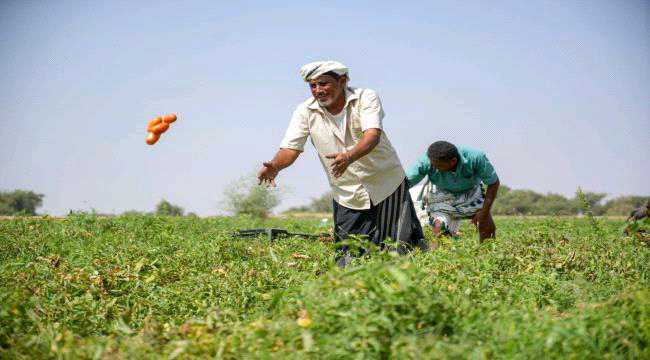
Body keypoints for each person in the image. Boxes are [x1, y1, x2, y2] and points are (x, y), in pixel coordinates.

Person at [257, 60, 426, 267]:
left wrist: (349, 156)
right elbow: (290, 149)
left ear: (343, 81)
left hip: (385, 184)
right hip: (347, 192)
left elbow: (372, 135)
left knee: (398, 250)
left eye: (324, 84)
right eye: (313, 86)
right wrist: (276, 166)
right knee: (348, 257)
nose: (318, 90)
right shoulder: (305, 111)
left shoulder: (365, 97)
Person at [406, 141, 499, 241]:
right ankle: (446, 253)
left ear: (453, 161)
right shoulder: (427, 161)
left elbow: (493, 183)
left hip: (471, 193)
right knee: (438, 227)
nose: (434, 167)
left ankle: (486, 251)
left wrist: (484, 213)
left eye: (438, 166)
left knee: (486, 225)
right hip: (441, 195)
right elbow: (405, 183)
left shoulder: (476, 158)